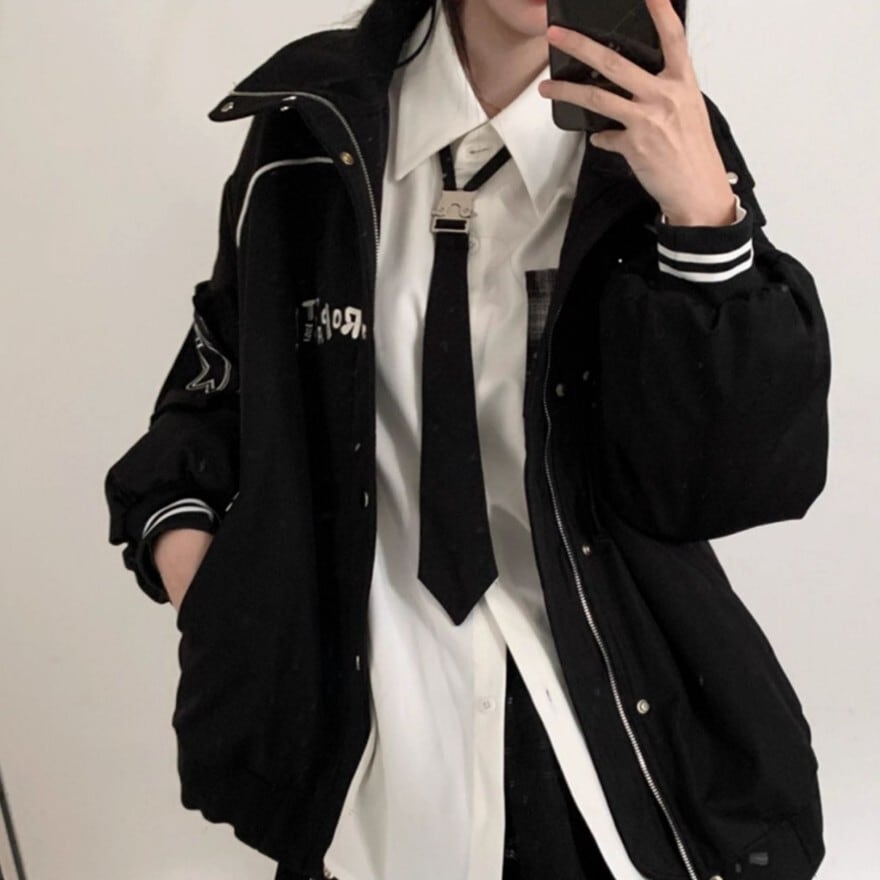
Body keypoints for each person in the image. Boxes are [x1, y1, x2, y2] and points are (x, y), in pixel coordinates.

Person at [103, 0, 831, 878]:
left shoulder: (660, 141)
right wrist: (211, 590)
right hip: (369, 753)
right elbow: (218, 388)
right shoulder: (310, 128)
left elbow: (727, 485)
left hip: (606, 731)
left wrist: (704, 218)